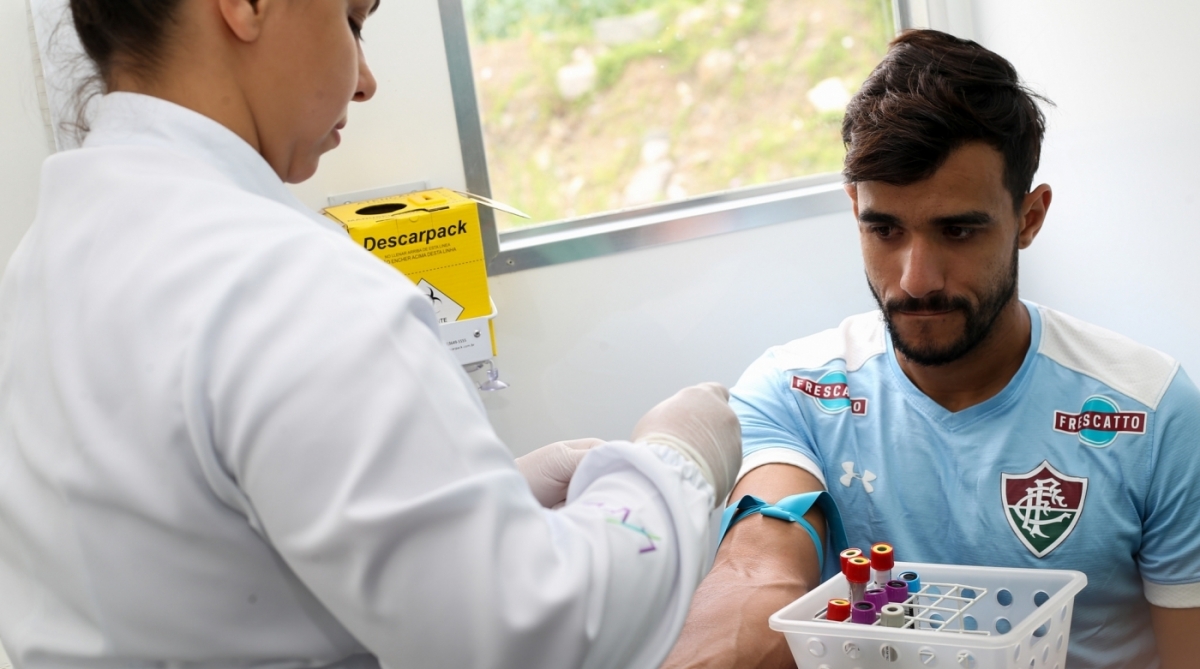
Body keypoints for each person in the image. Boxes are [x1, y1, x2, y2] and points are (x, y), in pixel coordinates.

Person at [0, 1, 744, 668]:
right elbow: (528, 630)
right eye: (353, 21)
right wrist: (674, 464)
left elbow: (197, 549)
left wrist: (482, 496)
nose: (365, 81)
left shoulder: (48, 257)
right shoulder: (288, 281)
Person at [662, 30, 1200, 669]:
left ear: (1029, 218)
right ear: (853, 210)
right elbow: (759, 571)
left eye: (959, 230)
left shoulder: (1151, 411)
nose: (916, 279)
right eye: (884, 229)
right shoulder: (794, 391)